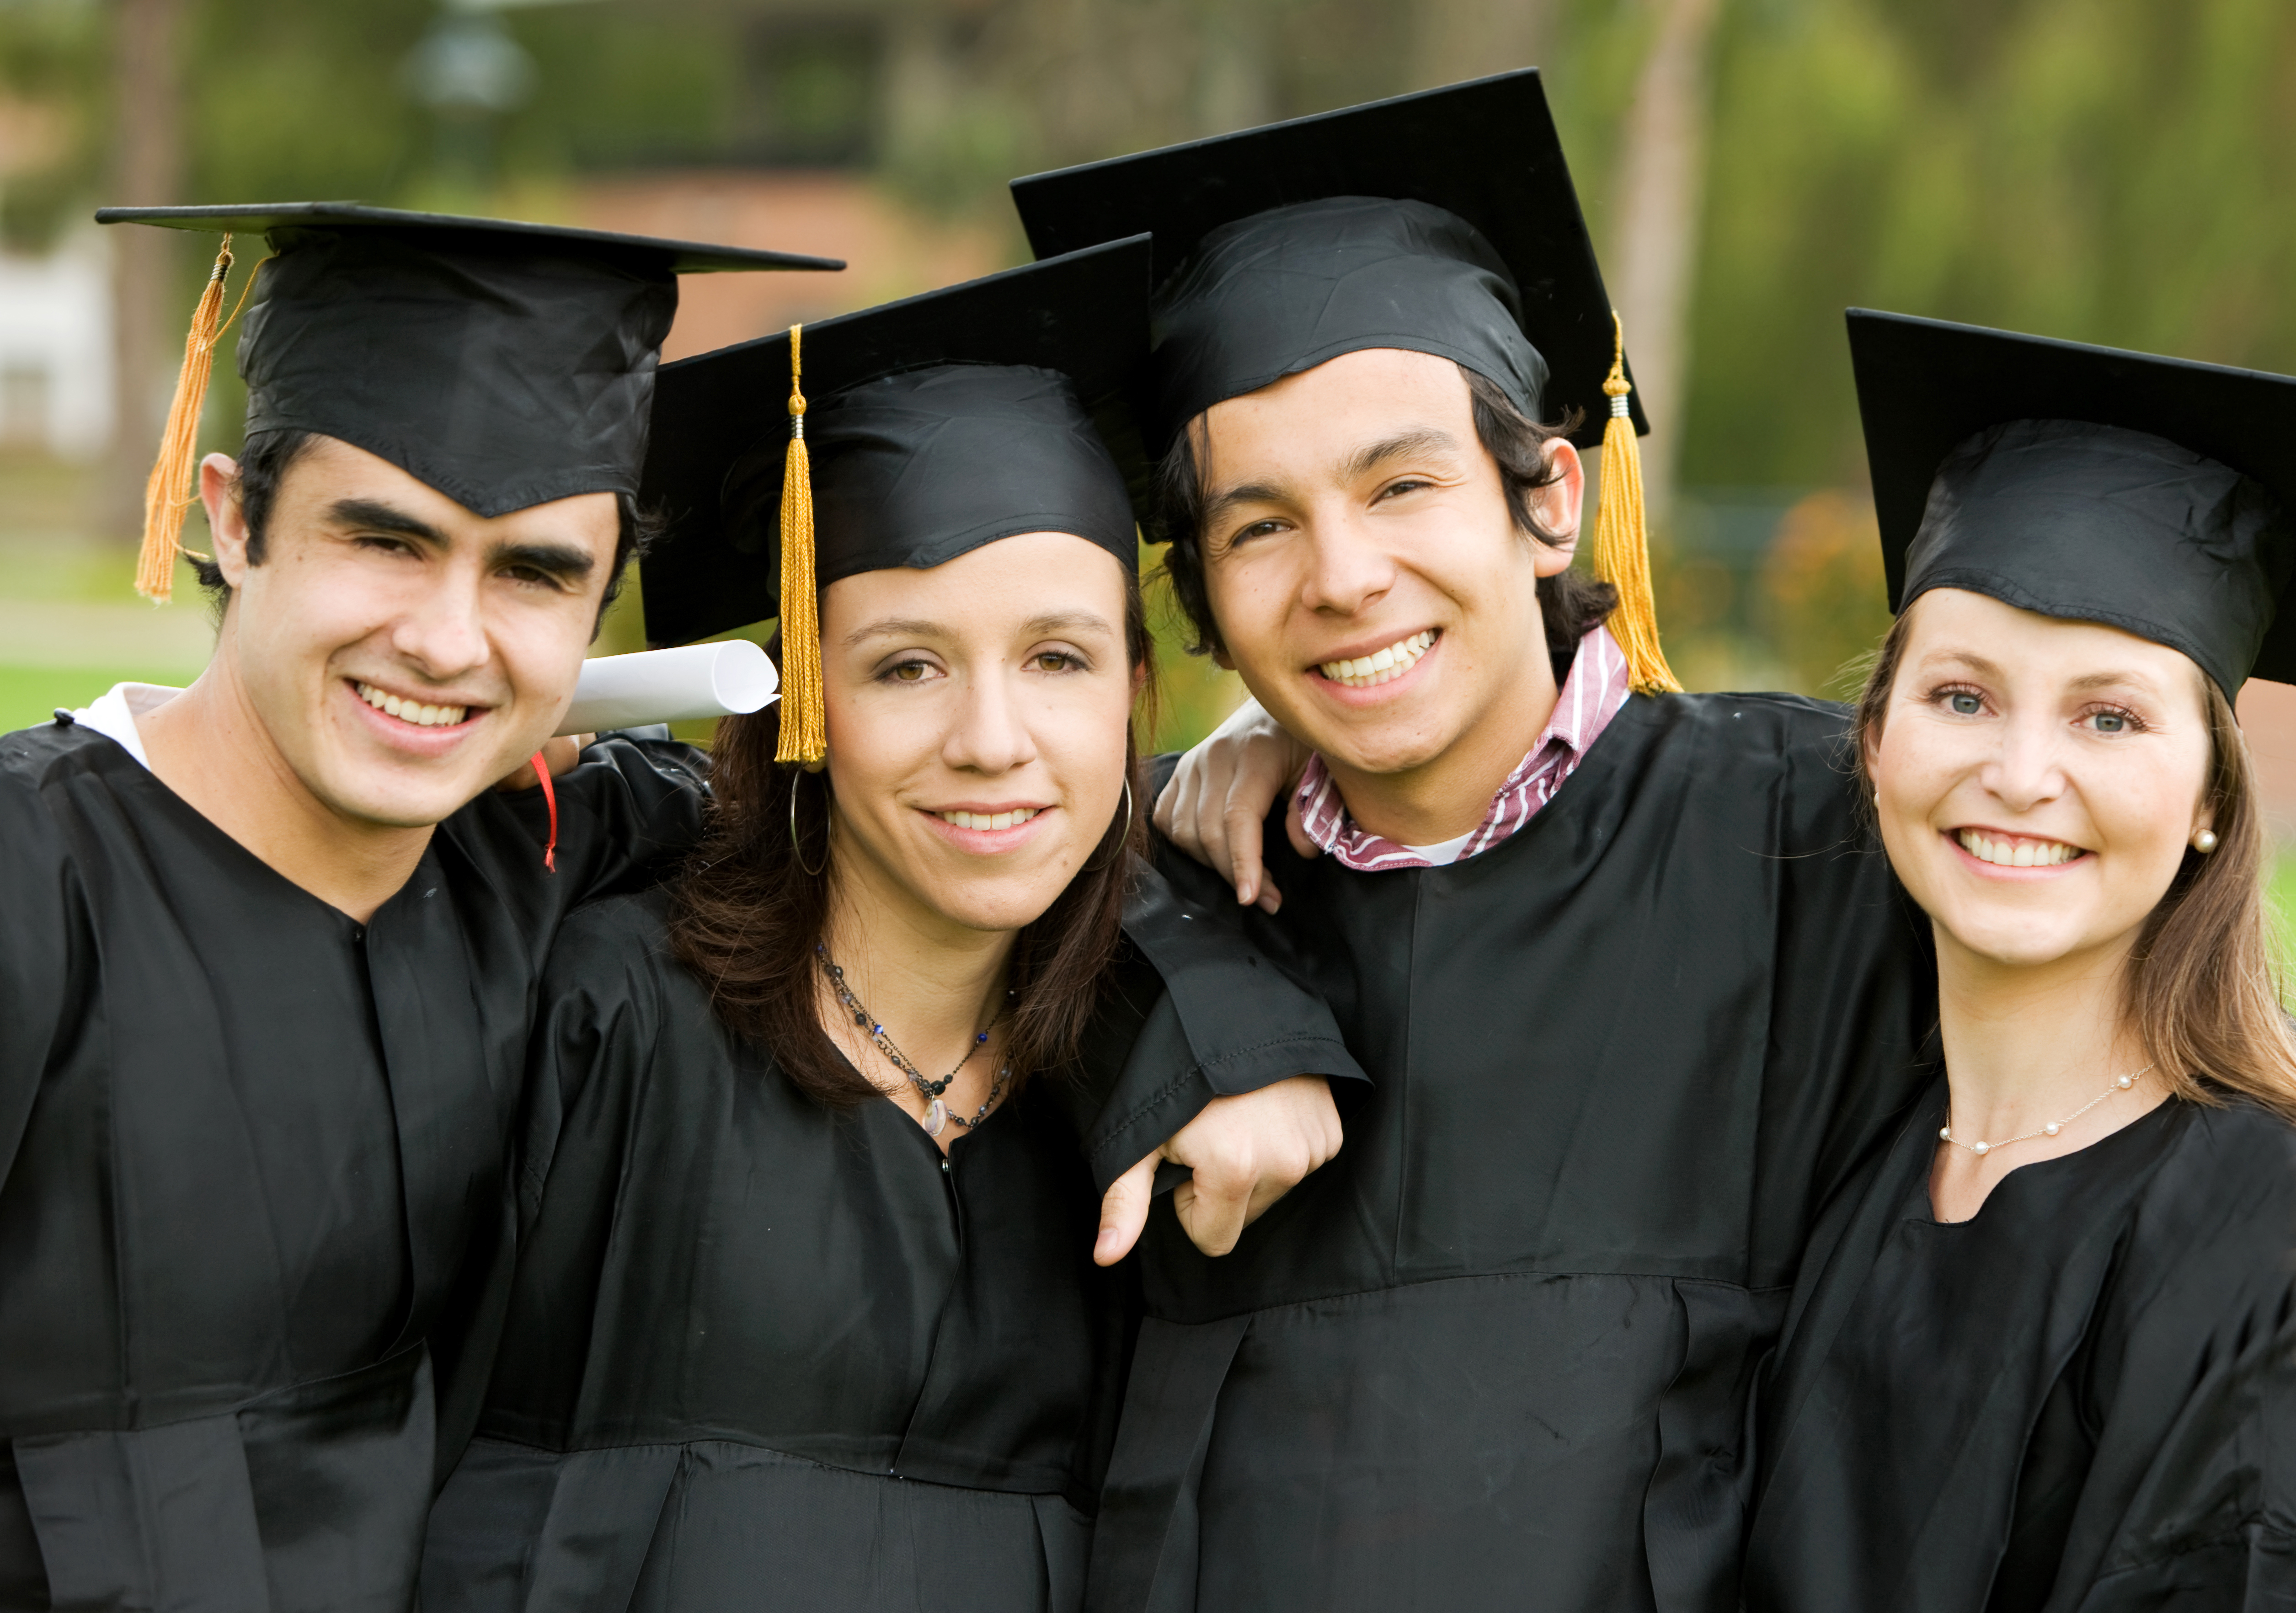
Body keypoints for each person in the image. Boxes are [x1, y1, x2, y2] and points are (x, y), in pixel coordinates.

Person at [1010, 72, 1931, 1612]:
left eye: (1403, 486)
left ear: (1550, 497)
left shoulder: (1819, 837)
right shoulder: (1133, 888)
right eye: (1259, 528)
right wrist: (1172, 941)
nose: (1344, 576)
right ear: (1200, 595)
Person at [419, 241, 1361, 1609]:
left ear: (1135, 696)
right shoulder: (605, 1019)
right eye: (906, 665)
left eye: (1058, 660)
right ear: (801, 705)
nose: (994, 742)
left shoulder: (1134, 1117)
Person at [0, 203, 838, 1605]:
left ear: (597, 616)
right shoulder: (35, 887)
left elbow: (950, 845)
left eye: (533, 573)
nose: (449, 640)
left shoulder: (550, 849)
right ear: (232, 519)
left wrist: (1222, 864)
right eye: (387, 541)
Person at [1742, 311, 2296, 1611]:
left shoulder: (2264, 1235)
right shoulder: (1841, 1150)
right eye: (1961, 698)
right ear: (1874, 744)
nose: (2021, 776)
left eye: (2109, 717)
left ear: (2212, 797)